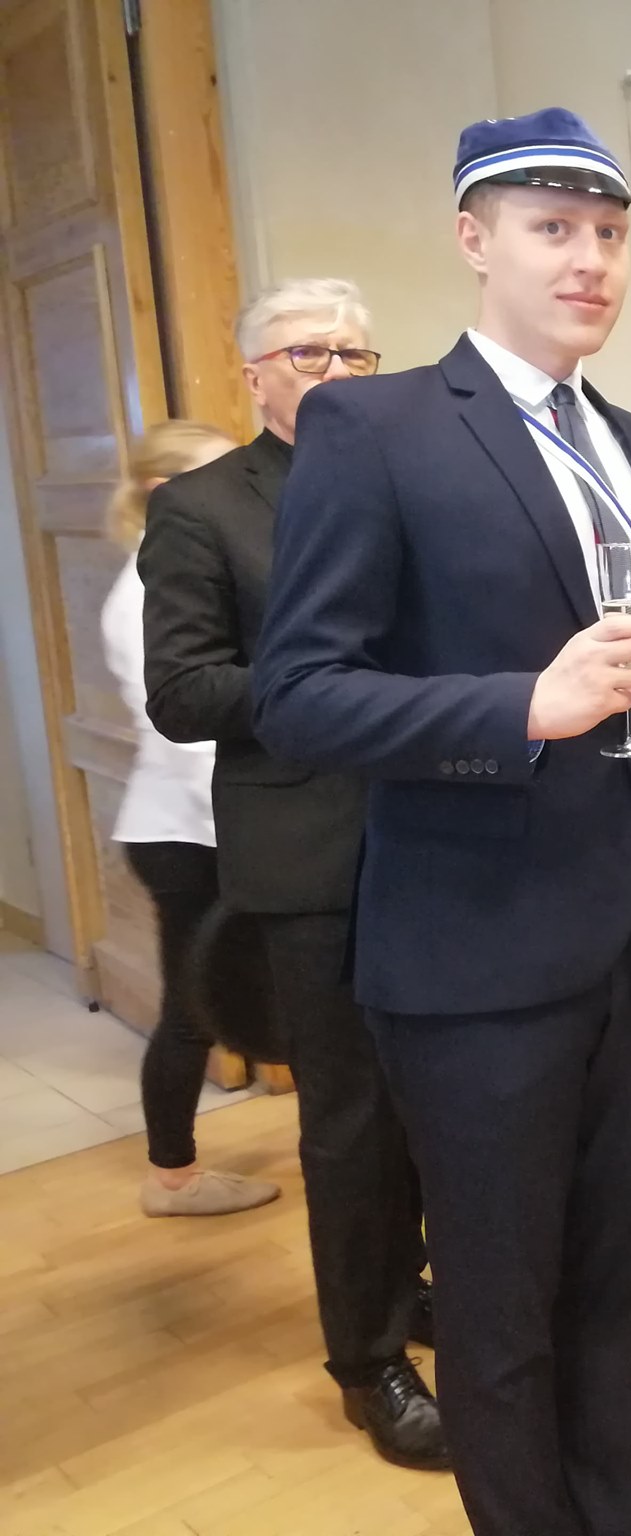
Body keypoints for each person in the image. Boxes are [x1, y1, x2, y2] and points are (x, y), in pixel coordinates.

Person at [251, 111, 631, 1535]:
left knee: (627, 1288)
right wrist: (522, 705)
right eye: (551, 229)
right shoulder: (373, 427)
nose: (588, 260)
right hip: (474, 959)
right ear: (473, 239)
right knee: (500, 1318)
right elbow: (300, 695)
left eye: (609, 233)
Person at [140, 281, 443, 1472]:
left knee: (429, 1101)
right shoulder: (204, 507)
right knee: (349, 1120)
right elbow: (183, 691)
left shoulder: (417, 487)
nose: (336, 371)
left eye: (356, 354)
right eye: (309, 353)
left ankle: (408, 1286)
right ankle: (367, 1362)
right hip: (312, 852)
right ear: (254, 374)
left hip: (437, 838)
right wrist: (327, 689)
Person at [100, 419, 273, 1218]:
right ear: (166, 491)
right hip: (186, 830)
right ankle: (172, 1176)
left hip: (193, 822)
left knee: (213, 1000)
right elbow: (189, 723)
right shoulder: (147, 589)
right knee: (192, 1009)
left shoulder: (170, 570)